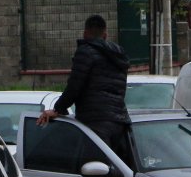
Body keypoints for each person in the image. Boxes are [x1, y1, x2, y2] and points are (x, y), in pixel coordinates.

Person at [36, 14, 133, 165]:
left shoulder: (85, 52)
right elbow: (120, 90)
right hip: (120, 122)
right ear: (105, 35)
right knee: (118, 171)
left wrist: (57, 109)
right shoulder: (119, 55)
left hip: (95, 122)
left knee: (95, 169)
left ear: (85, 33)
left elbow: (75, 85)